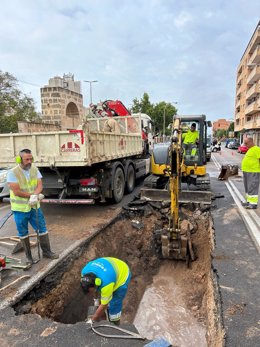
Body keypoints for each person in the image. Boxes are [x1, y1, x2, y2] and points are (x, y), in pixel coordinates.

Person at [7, 148, 58, 264]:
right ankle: (29, 257)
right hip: (20, 209)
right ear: (20, 159)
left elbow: (40, 185)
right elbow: (16, 191)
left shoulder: (34, 170)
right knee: (23, 233)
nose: (29, 161)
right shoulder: (13, 172)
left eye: (31, 159)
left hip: (34, 207)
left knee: (42, 229)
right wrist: (32, 196)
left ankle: (47, 252)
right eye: (27, 159)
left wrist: (35, 195)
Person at [81, 257, 131, 325]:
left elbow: (104, 305)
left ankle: (114, 323)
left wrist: (93, 320)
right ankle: (104, 317)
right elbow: (94, 290)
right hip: (110, 266)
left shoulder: (106, 284)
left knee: (115, 303)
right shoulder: (84, 272)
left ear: (97, 282)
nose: (91, 293)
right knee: (103, 300)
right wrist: (96, 301)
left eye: (92, 291)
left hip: (123, 274)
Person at [241, 136, 260, 209]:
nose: (245, 145)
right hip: (247, 171)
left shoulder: (257, 149)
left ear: (251, 142)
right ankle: (249, 201)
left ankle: (253, 204)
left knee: (252, 187)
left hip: (253, 172)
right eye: (244, 143)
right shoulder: (250, 149)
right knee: (248, 187)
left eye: (246, 143)